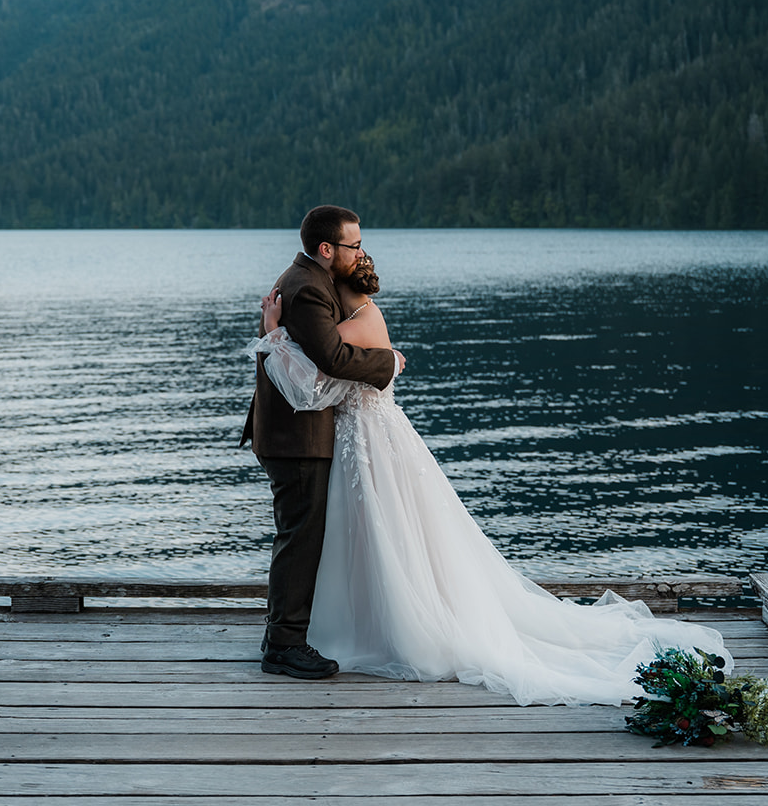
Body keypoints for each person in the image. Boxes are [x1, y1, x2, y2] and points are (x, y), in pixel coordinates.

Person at [247, 252, 733, 705]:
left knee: (384, 529)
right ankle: (333, 626)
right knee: (368, 532)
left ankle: (358, 629)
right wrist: (295, 338)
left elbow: (315, 378)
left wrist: (276, 336)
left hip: (370, 438)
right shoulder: (348, 315)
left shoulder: (362, 320)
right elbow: (325, 369)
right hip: (361, 437)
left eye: (333, 291)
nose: (327, 299)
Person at [240, 205, 404, 679]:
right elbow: (329, 359)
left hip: (297, 432)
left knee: (300, 534)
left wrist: (272, 332)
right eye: (354, 244)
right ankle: (284, 647)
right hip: (297, 436)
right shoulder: (309, 287)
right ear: (327, 248)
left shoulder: (307, 279)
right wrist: (388, 363)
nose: (361, 251)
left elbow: (300, 350)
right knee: (299, 538)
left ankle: (282, 636)